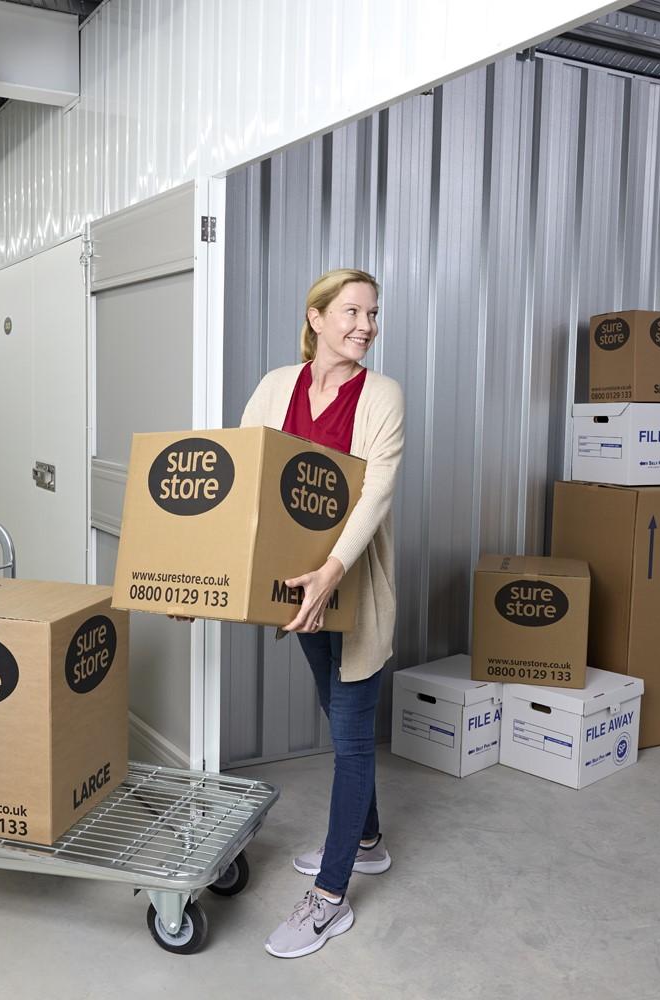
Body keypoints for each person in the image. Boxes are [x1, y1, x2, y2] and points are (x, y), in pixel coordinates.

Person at [241, 267, 405, 959]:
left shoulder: (384, 396)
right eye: (351, 312)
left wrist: (330, 574)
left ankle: (330, 897)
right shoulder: (278, 387)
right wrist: (202, 584)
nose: (365, 326)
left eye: (372, 314)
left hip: (350, 589)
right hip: (295, 587)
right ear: (316, 317)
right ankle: (366, 842)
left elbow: (374, 496)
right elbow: (244, 477)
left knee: (351, 734)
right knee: (342, 723)